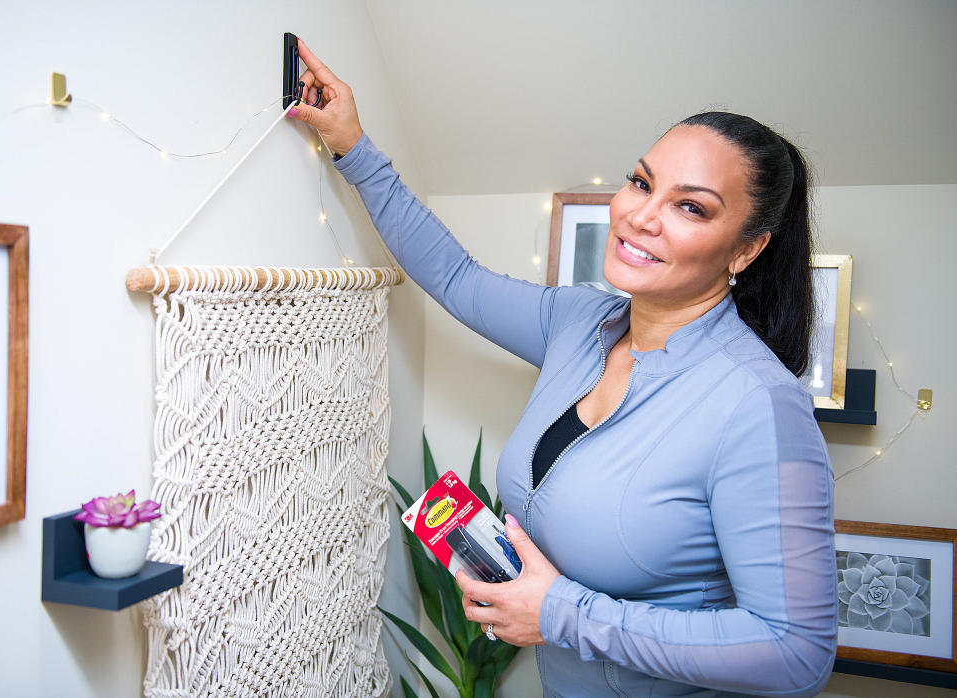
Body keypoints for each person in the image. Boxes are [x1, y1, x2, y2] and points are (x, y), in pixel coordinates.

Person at [288, 38, 837, 697]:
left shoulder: (758, 404)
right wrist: (354, 147)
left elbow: (796, 652)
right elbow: (457, 278)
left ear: (746, 249)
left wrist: (562, 613)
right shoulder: (580, 323)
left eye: (690, 207)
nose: (641, 216)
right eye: (641, 182)